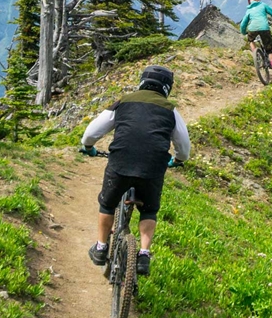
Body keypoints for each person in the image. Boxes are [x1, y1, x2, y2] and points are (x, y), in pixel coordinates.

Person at [80, 65, 190, 276]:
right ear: (167, 87)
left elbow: (92, 132)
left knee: (107, 204)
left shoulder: (124, 101)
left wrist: (88, 147)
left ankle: (101, 248)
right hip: (153, 167)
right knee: (149, 210)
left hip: (120, 162)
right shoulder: (171, 110)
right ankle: (144, 255)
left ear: (142, 81)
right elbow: (184, 147)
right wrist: (177, 160)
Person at [239, 0, 272, 67]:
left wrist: (243, 32)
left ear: (249, 1)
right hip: (264, 28)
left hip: (252, 29)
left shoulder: (249, 10)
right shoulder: (263, 5)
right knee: (269, 49)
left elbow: (243, 24)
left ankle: (256, 55)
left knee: (251, 40)